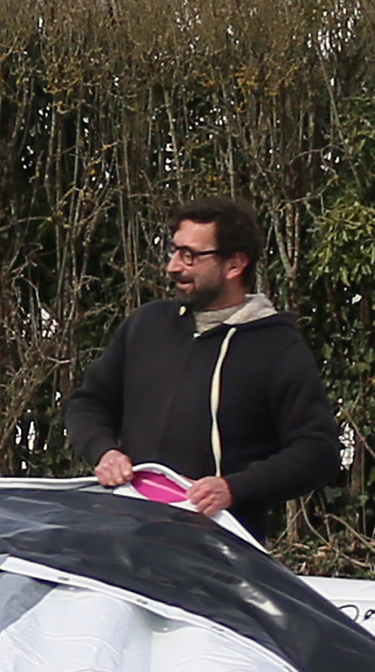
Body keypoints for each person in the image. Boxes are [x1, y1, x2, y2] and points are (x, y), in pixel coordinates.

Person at [65, 197, 342, 543]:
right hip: (128, 540)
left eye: (190, 255)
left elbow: (317, 451)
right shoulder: (145, 325)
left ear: (234, 265)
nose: (173, 266)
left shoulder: (278, 349)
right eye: (174, 250)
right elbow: (88, 403)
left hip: (222, 553)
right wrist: (104, 451)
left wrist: (234, 488)